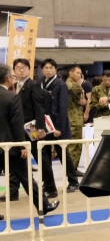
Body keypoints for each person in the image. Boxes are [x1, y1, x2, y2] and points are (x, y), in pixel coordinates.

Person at [0, 64, 55, 215]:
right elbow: (17, 124)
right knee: (27, 179)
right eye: (12, 75)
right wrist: (22, 145)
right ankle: (43, 206)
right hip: (11, 145)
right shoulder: (12, 97)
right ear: (7, 79)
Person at [11, 57, 57, 200]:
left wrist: (40, 128)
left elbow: (39, 108)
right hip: (18, 128)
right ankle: (13, 191)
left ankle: (50, 187)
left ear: (29, 70)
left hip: (33, 128)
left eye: (24, 68)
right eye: (18, 68)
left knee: (41, 158)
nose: (21, 70)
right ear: (14, 71)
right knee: (17, 159)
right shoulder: (14, 86)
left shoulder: (33, 85)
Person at [40, 59, 79, 193]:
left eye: (51, 67)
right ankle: (48, 183)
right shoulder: (41, 83)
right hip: (44, 125)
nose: (48, 70)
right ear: (42, 70)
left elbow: (63, 107)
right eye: (46, 67)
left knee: (63, 154)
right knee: (44, 156)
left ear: (55, 70)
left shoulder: (60, 84)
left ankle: (73, 181)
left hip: (57, 126)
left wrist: (59, 128)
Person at [66, 66, 88, 173]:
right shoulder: (74, 86)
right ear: (70, 73)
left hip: (71, 117)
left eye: (80, 73)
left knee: (73, 144)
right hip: (74, 118)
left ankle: (72, 168)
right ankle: (72, 169)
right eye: (77, 73)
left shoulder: (66, 84)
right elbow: (82, 100)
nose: (79, 75)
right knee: (75, 144)